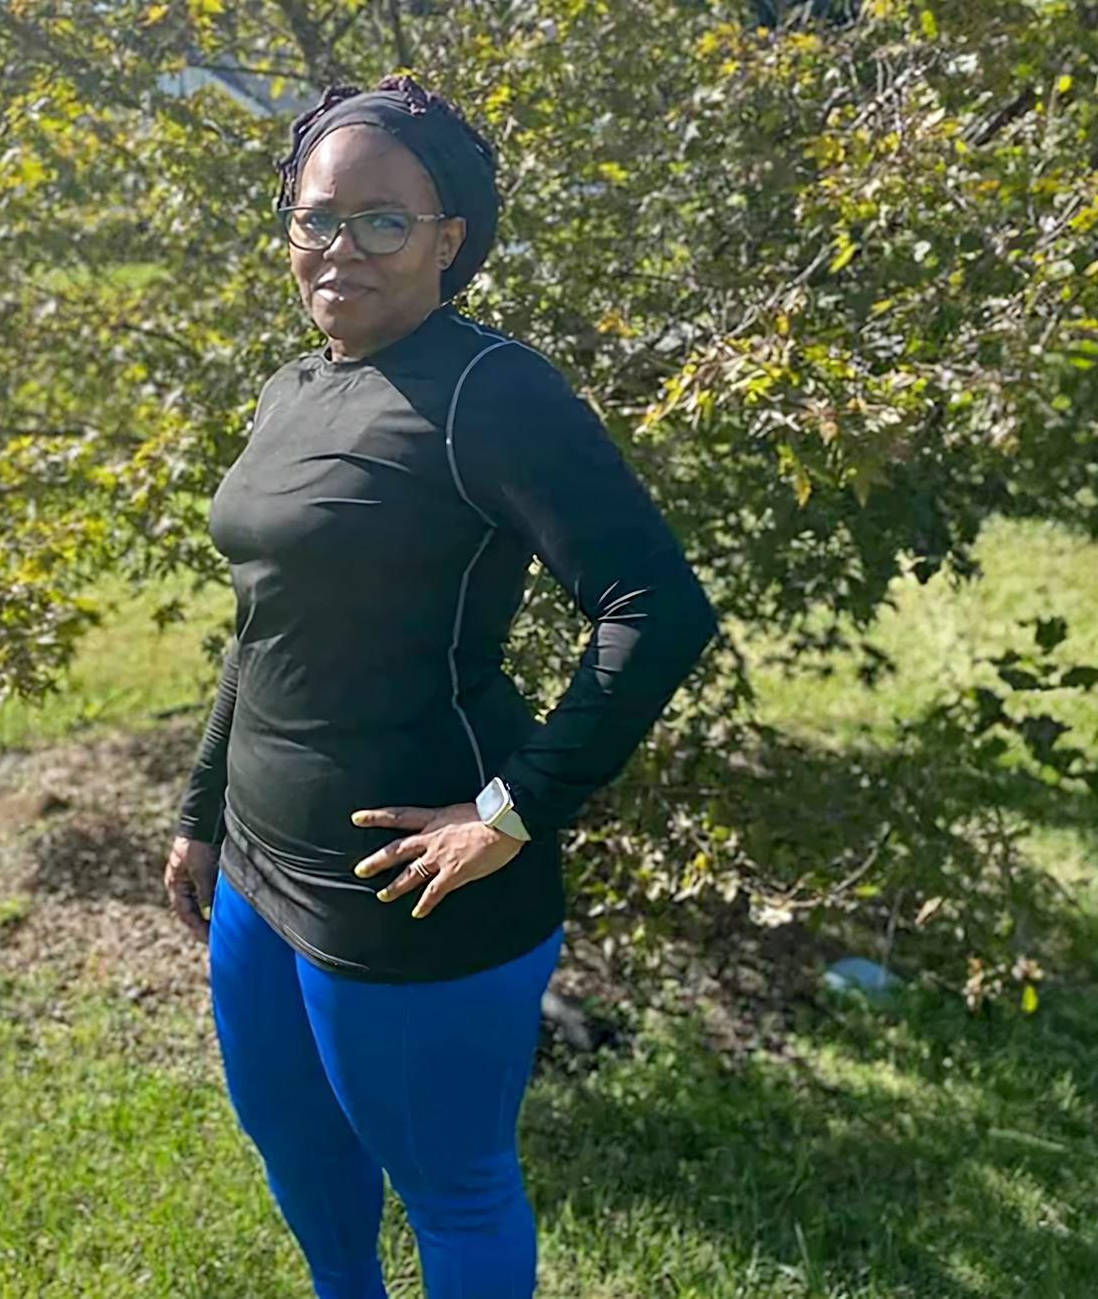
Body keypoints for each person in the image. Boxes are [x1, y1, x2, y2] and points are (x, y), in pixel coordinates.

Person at [160, 74, 719, 1298]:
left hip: (410, 888)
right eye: (317, 218)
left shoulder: (490, 391)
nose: (339, 247)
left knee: (451, 1190)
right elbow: (263, 624)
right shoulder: (294, 387)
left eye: (380, 221)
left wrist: (510, 811)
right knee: (299, 1151)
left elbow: (657, 610)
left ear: (446, 239)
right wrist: (203, 809)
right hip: (259, 868)